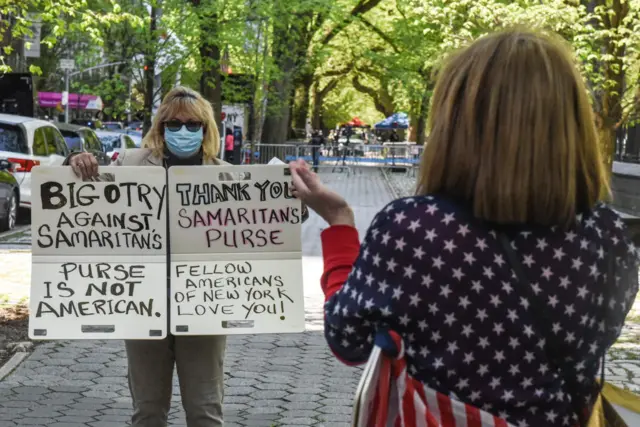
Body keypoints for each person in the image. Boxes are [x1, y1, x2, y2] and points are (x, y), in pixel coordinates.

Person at [289, 30, 640, 426]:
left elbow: (347, 340)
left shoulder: (415, 227)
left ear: (458, 123)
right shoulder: (609, 235)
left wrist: (339, 225)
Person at [66, 86, 228, 427]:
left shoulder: (226, 174)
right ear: (160, 128)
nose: (183, 131)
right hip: (143, 306)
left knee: (205, 412)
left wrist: (293, 198)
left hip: (203, 306)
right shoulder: (129, 163)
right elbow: (78, 191)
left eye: (192, 124)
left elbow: (272, 220)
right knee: (148, 412)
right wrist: (74, 162)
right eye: (173, 124)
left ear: (206, 129)